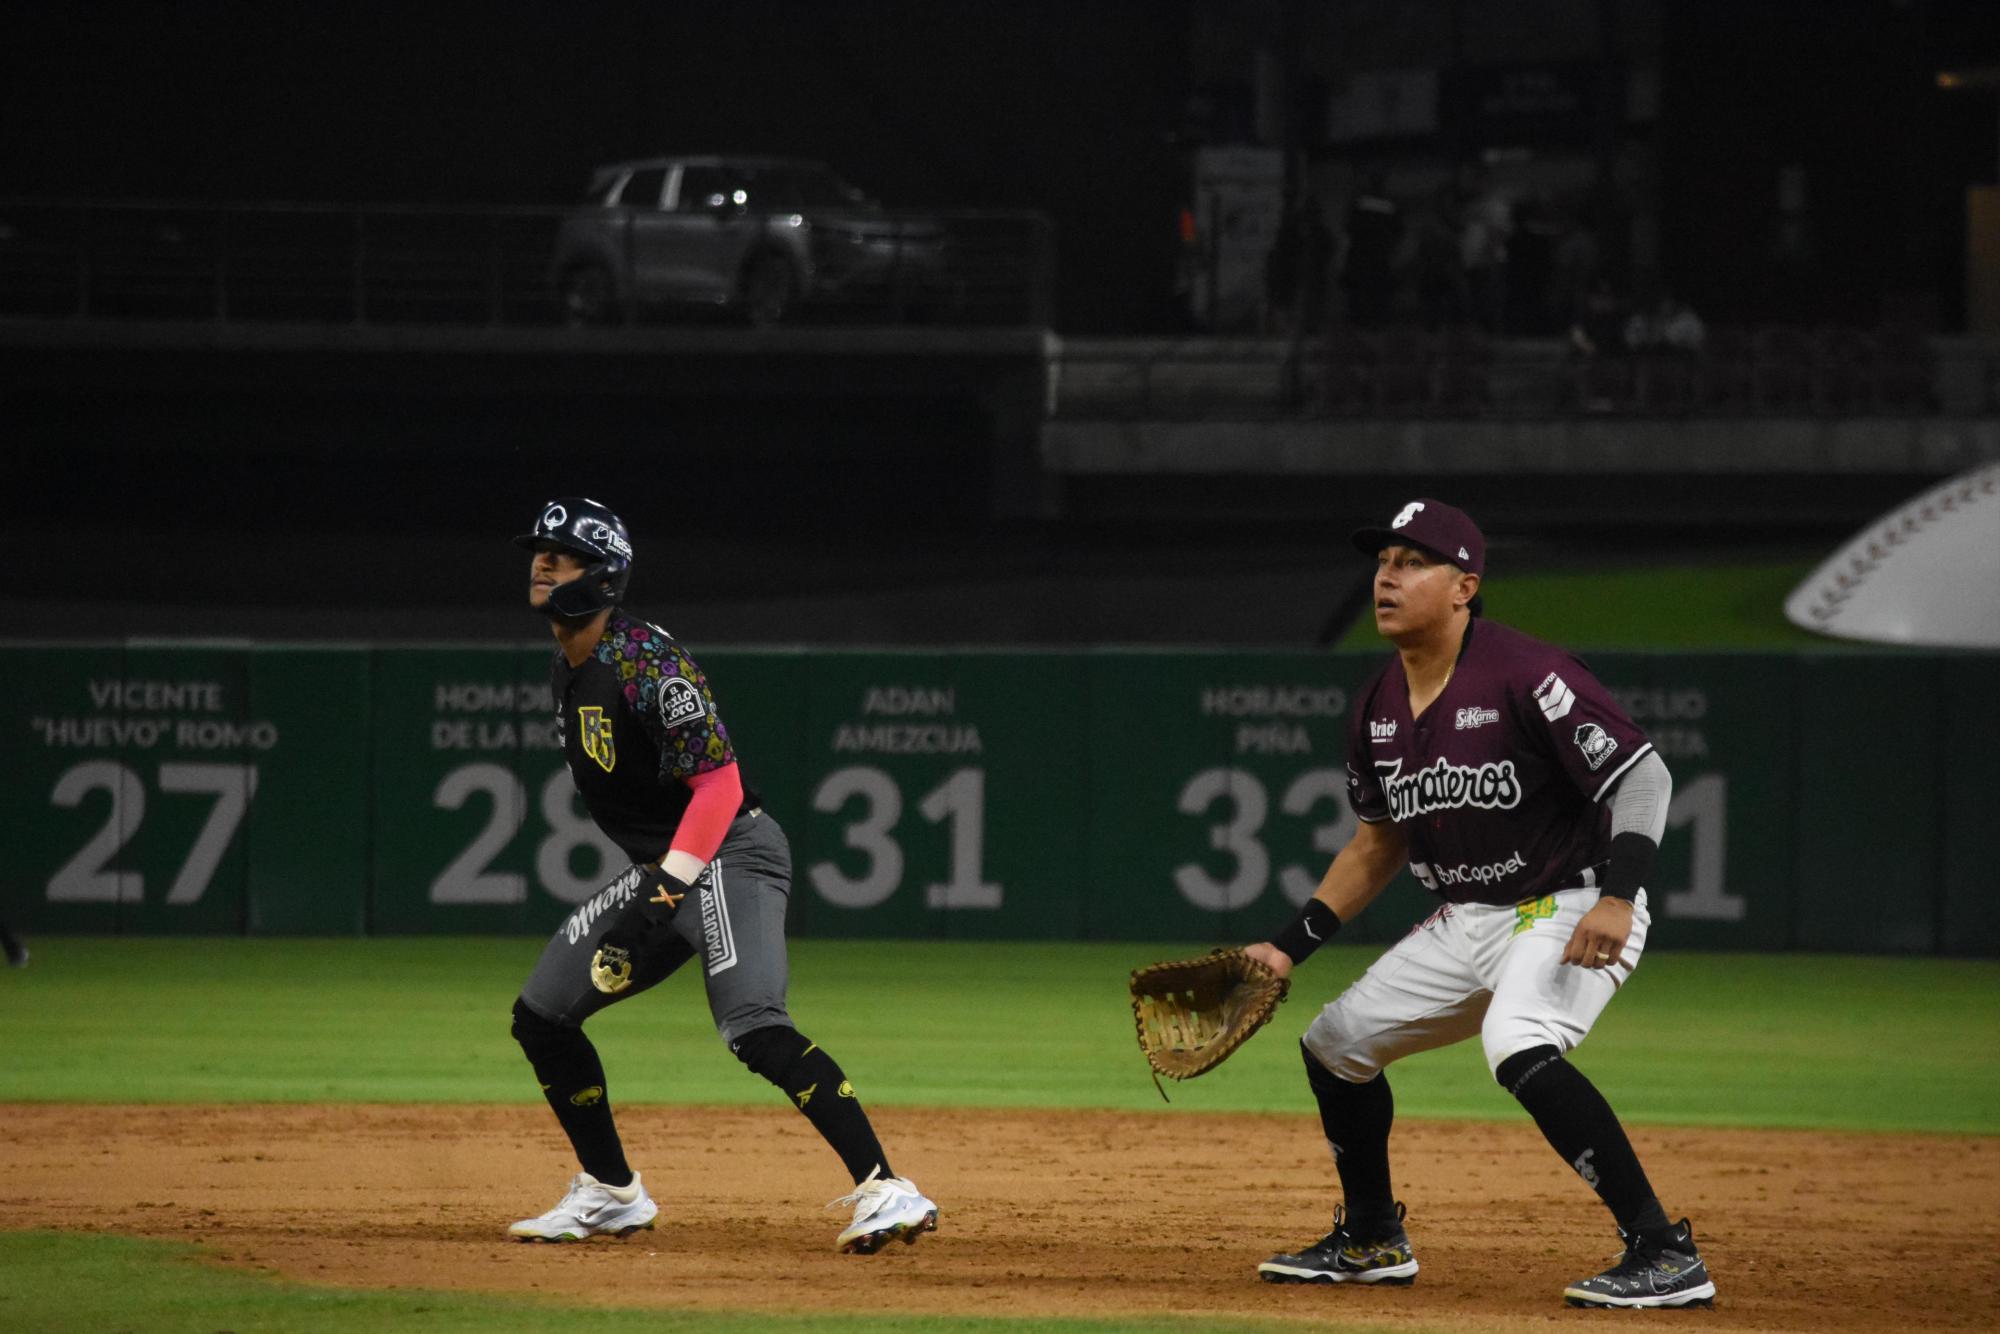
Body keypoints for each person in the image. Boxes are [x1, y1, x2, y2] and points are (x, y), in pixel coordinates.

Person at [1246, 498, 1715, 1311]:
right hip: (1470, 916)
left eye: (1411, 563)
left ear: (1464, 587)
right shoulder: (1377, 706)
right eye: (1382, 562)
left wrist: (1618, 895)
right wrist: (1288, 947)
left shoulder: (1528, 673)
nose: (1386, 578)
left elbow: (1644, 777)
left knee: (1516, 1038)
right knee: (1336, 1045)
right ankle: (1371, 1238)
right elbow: (1375, 847)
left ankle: (1664, 1251)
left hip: (1568, 903)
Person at [505, 497, 938, 1253]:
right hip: (669, 863)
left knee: (754, 1027)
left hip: (730, 851)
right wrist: (657, 885)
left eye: (562, 553)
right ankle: (611, 1192)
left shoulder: (646, 663)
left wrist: (663, 892)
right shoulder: (569, 666)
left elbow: (720, 788)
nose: (543, 561)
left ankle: (888, 1188)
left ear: (601, 576)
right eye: (540, 548)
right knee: (541, 1016)